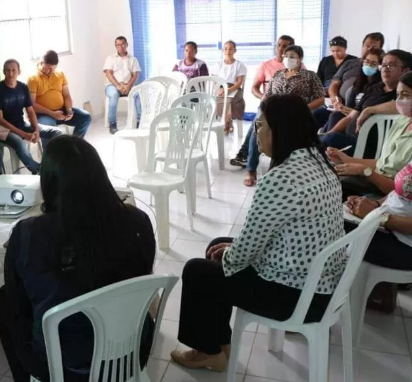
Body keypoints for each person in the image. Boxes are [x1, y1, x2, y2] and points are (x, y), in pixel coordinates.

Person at [170, 94, 344, 372]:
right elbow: (272, 233)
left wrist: (230, 252)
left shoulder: (282, 177)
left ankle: (208, 351)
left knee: (197, 270)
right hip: (321, 284)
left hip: (292, 295)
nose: (256, 132)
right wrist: (230, 249)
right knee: (219, 246)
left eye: (261, 125)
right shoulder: (319, 161)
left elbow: (245, 252)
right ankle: (219, 344)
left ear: (281, 130)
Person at [0, 135, 156, 382]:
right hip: (131, 351)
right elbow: (143, 275)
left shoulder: (28, 234)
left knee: (5, 301)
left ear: (47, 183)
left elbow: (19, 299)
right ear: (100, 176)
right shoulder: (138, 221)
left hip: (65, 367)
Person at [243, 45, 325, 186]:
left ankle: (279, 170)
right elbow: (268, 95)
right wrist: (264, 109)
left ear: (300, 59)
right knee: (257, 129)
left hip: (295, 115)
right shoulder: (278, 74)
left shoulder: (309, 76)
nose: (288, 59)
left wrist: (303, 109)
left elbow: (320, 98)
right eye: (286, 56)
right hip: (273, 112)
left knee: (284, 136)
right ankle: (251, 170)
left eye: (292, 56)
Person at [328, 72, 412, 200]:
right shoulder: (403, 120)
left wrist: (364, 171)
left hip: (392, 194)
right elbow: (383, 164)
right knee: (327, 177)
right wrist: (347, 159)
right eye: (397, 95)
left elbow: (403, 190)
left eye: (405, 95)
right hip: (375, 180)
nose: (399, 100)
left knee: (331, 188)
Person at [320, 49, 412, 155]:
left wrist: (370, 110)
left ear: (405, 71)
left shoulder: (405, 93)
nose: (385, 70)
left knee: (326, 142)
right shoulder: (373, 88)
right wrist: (330, 133)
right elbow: (351, 117)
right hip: (349, 137)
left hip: (367, 146)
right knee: (329, 131)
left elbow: (399, 105)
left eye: (391, 65)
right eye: (383, 65)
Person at [230, 35, 296, 168]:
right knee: (259, 118)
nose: (280, 48)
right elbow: (254, 88)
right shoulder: (266, 65)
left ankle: (244, 155)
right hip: (269, 104)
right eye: (279, 45)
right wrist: (263, 96)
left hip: (288, 106)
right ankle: (247, 158)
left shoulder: (296, 65)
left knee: (258, 119)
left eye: (285, 46)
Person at [0, 59, 61, 174]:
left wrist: (36, 130)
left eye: (13, 70)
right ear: (3, 71)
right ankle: (38, 170)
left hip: (21, 124)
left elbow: (30, 110)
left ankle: (51, 162)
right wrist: (23, 134)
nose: (11, 73)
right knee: (19, 142)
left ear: (19, 72)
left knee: (57, 133)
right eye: (7, 70)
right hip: (3, 129)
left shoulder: (23, 87)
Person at [344, 162, 412, 271]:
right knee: (334, 220)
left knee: (335, 232)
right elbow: (398, 193)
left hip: (405, 243)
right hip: (386, 225)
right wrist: (375, 204)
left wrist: (377, 217)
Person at [28, 50, 92, 146]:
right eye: (48, 68)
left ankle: (75, 146)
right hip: (44, 114)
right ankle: (51, 157)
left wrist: (69, 109)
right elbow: (32, 104)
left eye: (53, 69)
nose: (51, 72)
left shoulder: (60, 74)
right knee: (49, 129)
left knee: (86, 117)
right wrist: (52, 114)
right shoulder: (33, 79)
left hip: (62, 110)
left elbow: (66, 95)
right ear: (41, 63)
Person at [315, 48, 383, 131]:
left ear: (380, 67)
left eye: (373, 64)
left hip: (362, 126)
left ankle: (325, 138)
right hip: (347, 117)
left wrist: (353, 112)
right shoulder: (359, 84)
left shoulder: (378, 88)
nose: (368, 66)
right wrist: (342, 108)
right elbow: (349, 107)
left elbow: (365, 113)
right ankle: (323, 137)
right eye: (367, 62)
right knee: (334, 115)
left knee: (332, 125)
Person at [327, 32, 385, 111]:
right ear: (362, 46)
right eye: (367, 46)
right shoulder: (349, 63)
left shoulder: (381, 70)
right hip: (338, 104)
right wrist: (334, 97)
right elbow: (334, 83)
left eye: (374, 47)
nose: (369, 49)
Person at [103, 36, 142, 134]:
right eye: (118, 45)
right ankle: (112, 124)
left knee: (137, 94)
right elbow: (108, 73)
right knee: (114, 95)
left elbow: (135, 75)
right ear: (115, 46)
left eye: (123, 44)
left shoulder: (133, 59)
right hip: (112, 85)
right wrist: (118, 86)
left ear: (127, 45)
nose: (121, 47)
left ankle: (140, 121)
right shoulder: (110, 58)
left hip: (128, 85)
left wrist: (128, 86)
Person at [215, 40, 247, 134]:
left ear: (235, 50)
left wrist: (229, 90)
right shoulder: (219, 64)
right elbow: (215, 80)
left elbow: (240, 82)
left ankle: (227, 122)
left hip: (235, 88)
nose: (228, 51)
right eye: (225, 49)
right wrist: (220, 89)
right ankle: (227, 121)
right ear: (223, 51)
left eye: (230, 49)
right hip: (221, 88)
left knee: (231, 101)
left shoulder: (239, 65)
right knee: (221, 101)